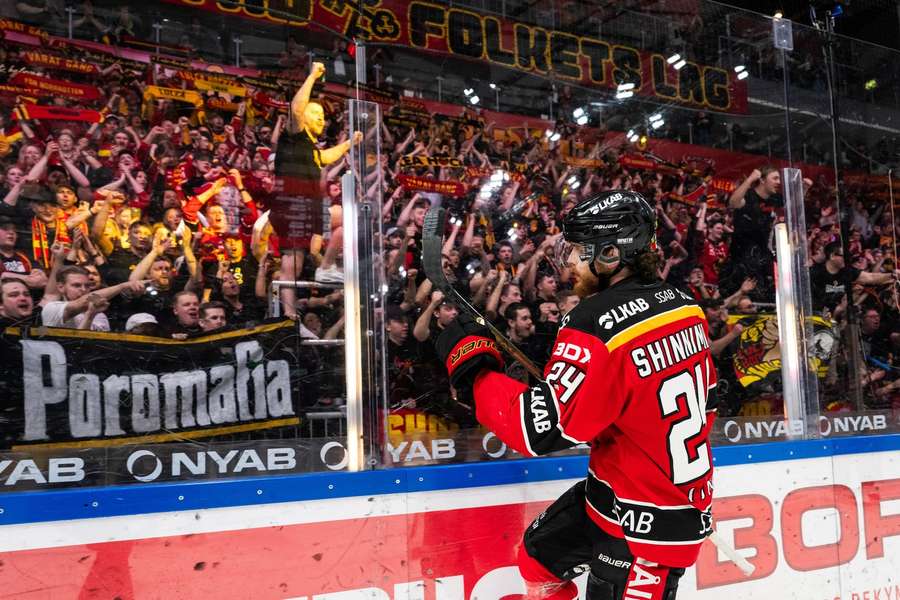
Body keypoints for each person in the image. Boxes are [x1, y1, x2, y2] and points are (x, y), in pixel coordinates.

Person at [436, 191, 717, 600]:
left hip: (650, 526)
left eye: (578, 250)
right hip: (626, 492)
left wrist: (475, 372)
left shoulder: (594, 322)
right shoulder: (684, 304)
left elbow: (538, 431)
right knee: (538, 560)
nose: (567, 261)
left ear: (609, 254)